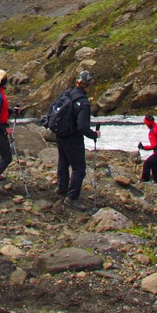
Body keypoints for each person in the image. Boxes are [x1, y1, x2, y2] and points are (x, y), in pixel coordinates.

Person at [54, 70, 99, 211]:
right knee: (79, 169)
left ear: (77, 82)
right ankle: (72, 198)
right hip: (73, 138)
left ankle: (61, 187)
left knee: (63, 161)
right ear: (88, 85)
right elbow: (83, 127)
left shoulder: (67, 94)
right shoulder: (84, 103)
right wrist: (94, 135)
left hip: (60, 134)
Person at [137, 114, 157, 184]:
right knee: (153, 163)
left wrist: (143, 147)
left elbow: (154, 146)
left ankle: (146, 181)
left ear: (148, 123)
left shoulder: (152, 132)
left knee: (147, 164)